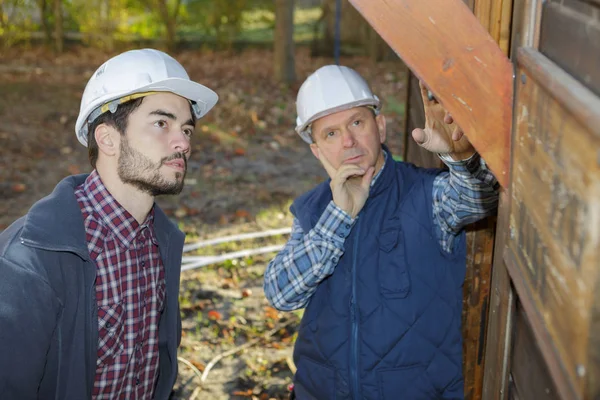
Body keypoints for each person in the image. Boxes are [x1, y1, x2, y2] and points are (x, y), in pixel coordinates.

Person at [263, 65, 499, 399]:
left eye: (357, 123)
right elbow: (280, 294)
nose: (348, 141)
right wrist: (340, 214)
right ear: (317, 151)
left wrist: (461, 158)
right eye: (330, 133)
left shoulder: (426, 193)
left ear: (381, 126)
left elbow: (480, 198)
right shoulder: (312, 210)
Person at [0, 48, 218, 399]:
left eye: (187, 129)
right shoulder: (31, 260)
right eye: (162, 123)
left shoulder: (162, 242)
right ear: (108, 139)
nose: (183, 143)